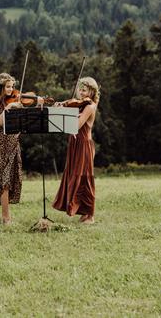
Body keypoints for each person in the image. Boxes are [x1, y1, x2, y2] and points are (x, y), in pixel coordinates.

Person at [52, 77, 100, 224]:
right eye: (80, 89)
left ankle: (90, 215)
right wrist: (59, 109)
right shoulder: (79, 105)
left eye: (84, 90)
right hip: (74, 144)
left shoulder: (90, 107)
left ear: (92, 92)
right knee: (74, 176)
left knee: (85, 178)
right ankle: (83, 212)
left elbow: (77, 125)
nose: (80, 92)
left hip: (83, 145)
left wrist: (62, 113)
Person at [0, 72, 24, 225]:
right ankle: (5, 218)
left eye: (12, 87)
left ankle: (6, 217)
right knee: (4, 180)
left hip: (13, 142)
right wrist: (8, 107)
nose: (11, 90)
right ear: (0, 87)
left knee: (12, 179)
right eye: (8, 87)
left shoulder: (15, 101)